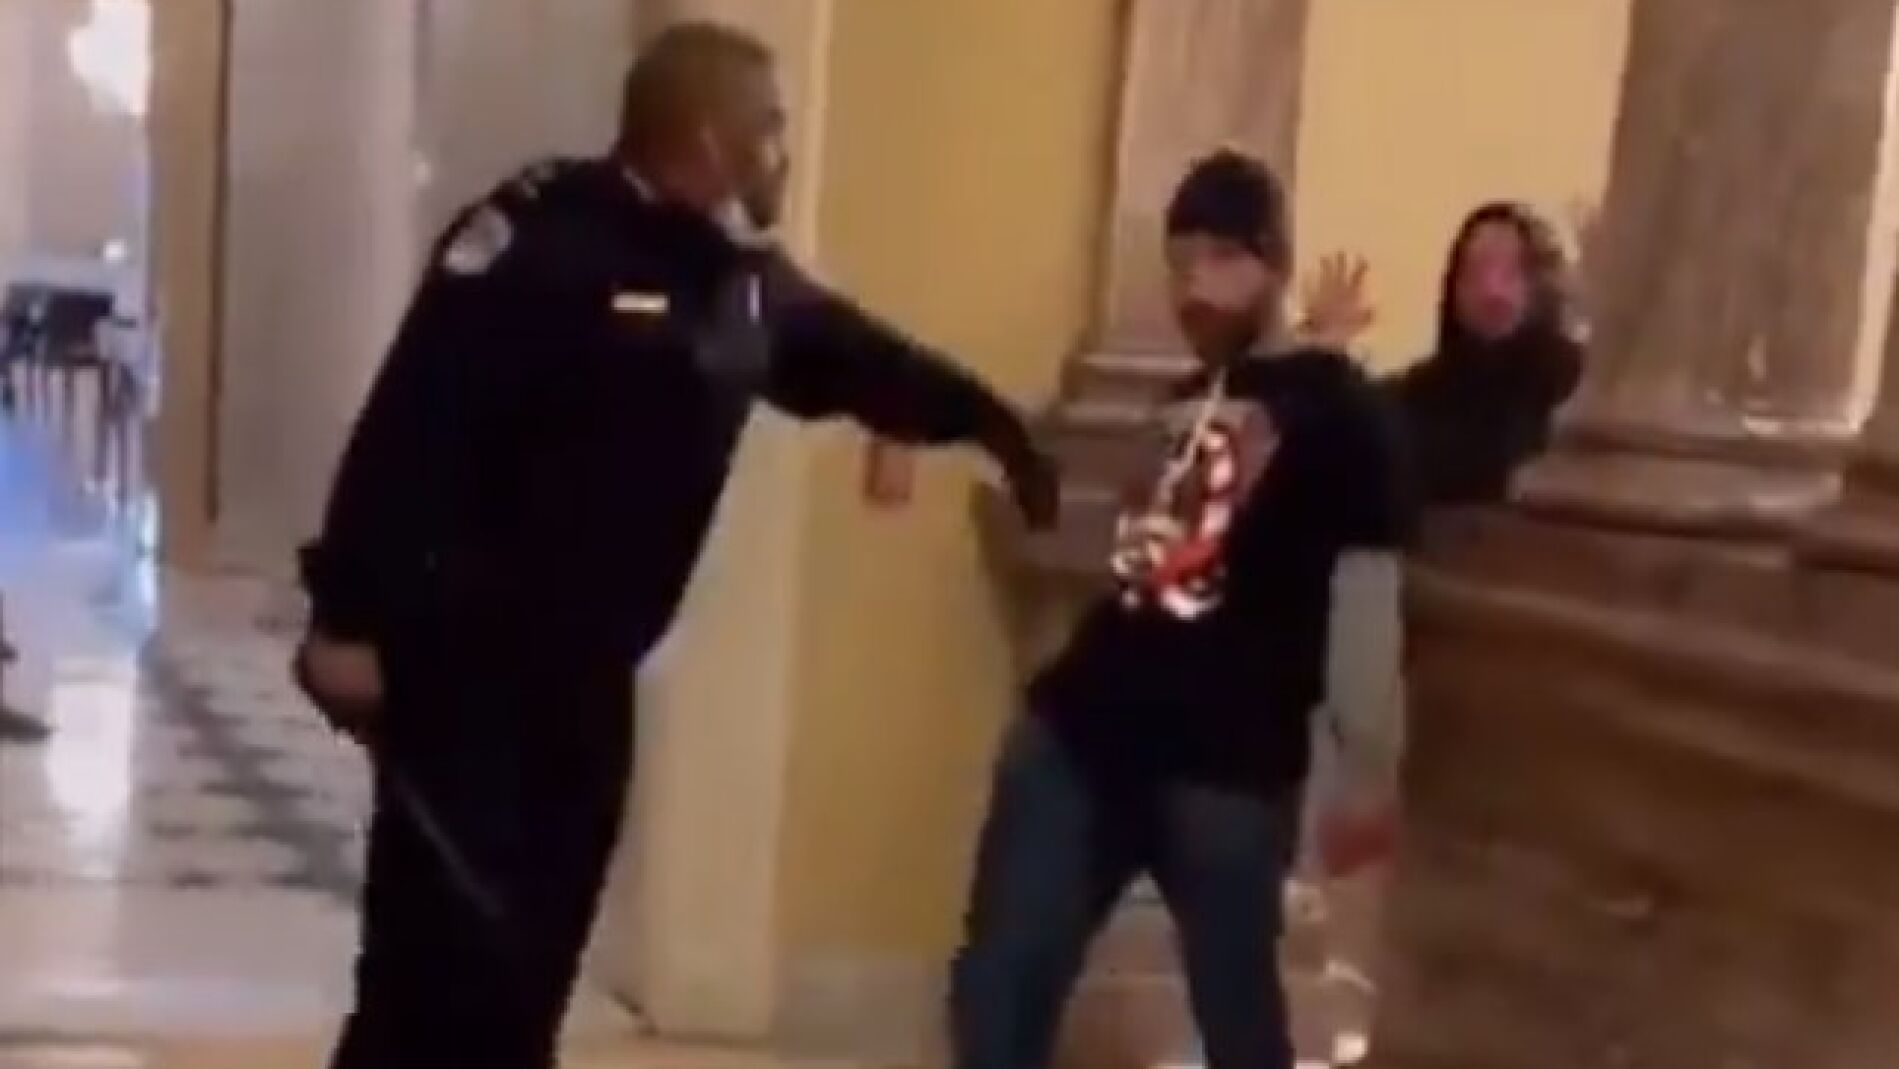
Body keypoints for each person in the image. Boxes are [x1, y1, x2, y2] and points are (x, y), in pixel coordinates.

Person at [294, 22, 1057, 1069]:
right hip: (466, 680)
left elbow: (854, 357)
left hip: (585, 691)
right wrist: (344, 614)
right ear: (707, 135)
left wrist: (994, 428)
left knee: (528, 981)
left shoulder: (730, 280)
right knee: (430, 983)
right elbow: (414, 425)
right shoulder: (540, 240)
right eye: (768, 127)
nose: (781, 150)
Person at [950, 151, 1410, 1069]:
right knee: (1000, 980)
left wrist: (1367, 766)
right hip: (1082, 731)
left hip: (1227, 761)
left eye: (1219, 258)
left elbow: (1367, 587)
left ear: (1272, 262)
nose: (1192, 288)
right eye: (1177, 263)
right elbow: (1147, 561)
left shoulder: (1343, 410)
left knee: (1238, 1014)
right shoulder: (1184, 400)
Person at [1387, 201, 1585, 507]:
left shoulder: (1575, 393)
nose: (1492, 290)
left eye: (1512, 273)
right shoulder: (1417, 398)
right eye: (1474, 272)